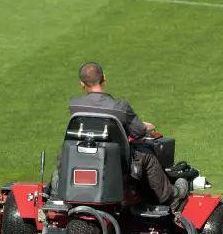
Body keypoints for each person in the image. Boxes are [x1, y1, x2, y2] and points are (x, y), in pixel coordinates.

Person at [69, 62, 188, 205]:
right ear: (104, 77)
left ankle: (56, 186)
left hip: (82, 156)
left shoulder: (75, 105)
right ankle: (169, 195)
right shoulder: (120, 107)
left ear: (82, 84)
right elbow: (138, 132)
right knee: (146, 154)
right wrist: (146, 127)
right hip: (115, 160)